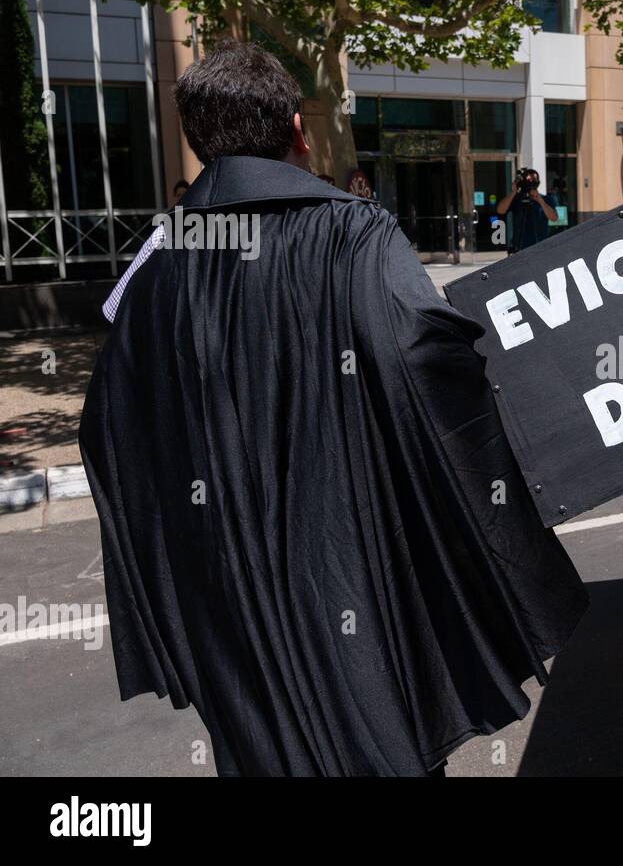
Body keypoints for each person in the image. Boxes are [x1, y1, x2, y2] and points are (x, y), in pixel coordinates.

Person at [80, 41, 588, 776]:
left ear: (199, 142)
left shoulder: (159, 264)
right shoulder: (354, 231)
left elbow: (107, 424)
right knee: (376, 739)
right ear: (295, 127)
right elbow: (424, 359)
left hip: (226, 593)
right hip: (348, 566)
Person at [496, 166, 557, 252]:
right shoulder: (517, 199)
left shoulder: (546, 199)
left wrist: (540, 200)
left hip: (540, 246)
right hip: (520, 246)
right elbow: (500, 210)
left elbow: (554, 218)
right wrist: (513, 192)